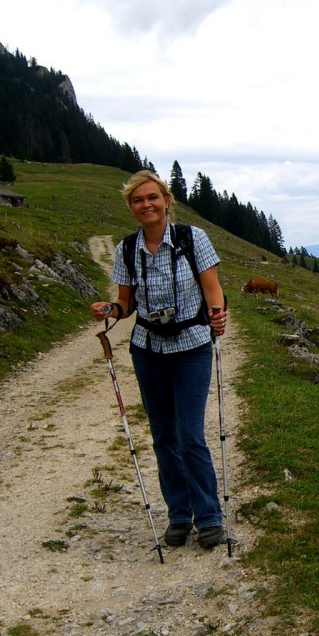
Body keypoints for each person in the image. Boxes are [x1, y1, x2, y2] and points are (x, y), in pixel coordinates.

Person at [90, 169, 228, 550]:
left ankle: (210, 515)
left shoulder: (192, 238)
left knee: (189, 434)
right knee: (163, 436)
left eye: (152, 197)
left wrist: (217, 314)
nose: (146, 205)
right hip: (148, 349)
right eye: (138, 200)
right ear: (131, 208)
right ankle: (179, 516)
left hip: (192, 346)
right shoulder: (127, 249)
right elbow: (126, 304)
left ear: (166, 200)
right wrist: (110, 309)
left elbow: (212, 289)